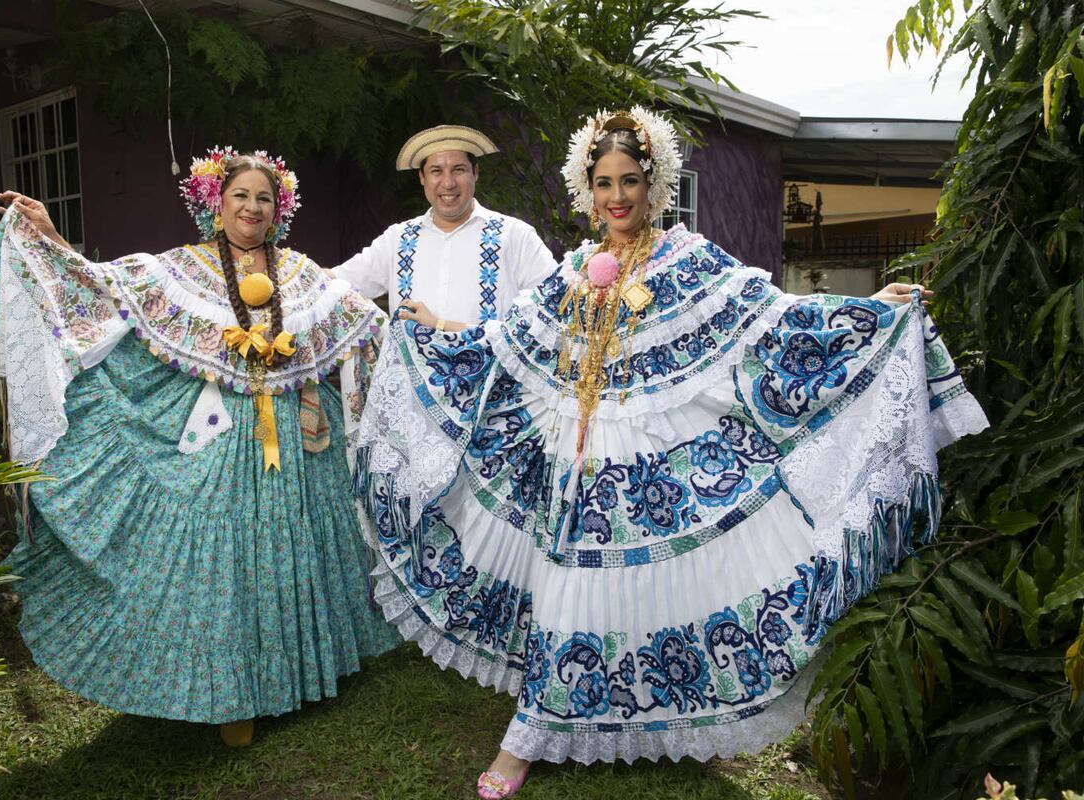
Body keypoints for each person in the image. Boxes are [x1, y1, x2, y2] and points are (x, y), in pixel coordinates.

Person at [351, 108, 989, 797]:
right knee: (575, 580)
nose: (616, 197)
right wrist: (434, 336)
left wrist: (873, 310)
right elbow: (508, 339)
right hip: (575, 459)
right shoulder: (572, 269)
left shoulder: (690, 259)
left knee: (632, 589)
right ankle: (538, 723)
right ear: (586, 189)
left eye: (629, 181)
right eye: (603, 183)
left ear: (653, 187)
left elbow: (772, 316)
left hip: (651, 463)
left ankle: (555, 727)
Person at [0, 147, 398, 747]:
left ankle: (296, 675)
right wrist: (51, 236)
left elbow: (363, 326)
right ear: (217, 205)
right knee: (227, 562)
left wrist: (423, 333)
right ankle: (233, 694)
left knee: (297, 549)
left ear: (279, 210)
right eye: (241, 196)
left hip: (296, 444)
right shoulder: (180, 271)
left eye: (264, 198)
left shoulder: (303, 274)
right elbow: (104, 288)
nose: (252, 207)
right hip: (222, 439)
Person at [331, 124, 557, 331]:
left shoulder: (515, 236)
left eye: (458, 170)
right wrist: (297, 270)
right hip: (413, 376)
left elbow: (555, 304)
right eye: (436, 171)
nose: (448, 183)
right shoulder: (398, 239)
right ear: (422, 177)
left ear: (475, 173)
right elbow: (338, 284)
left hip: (492, 375)